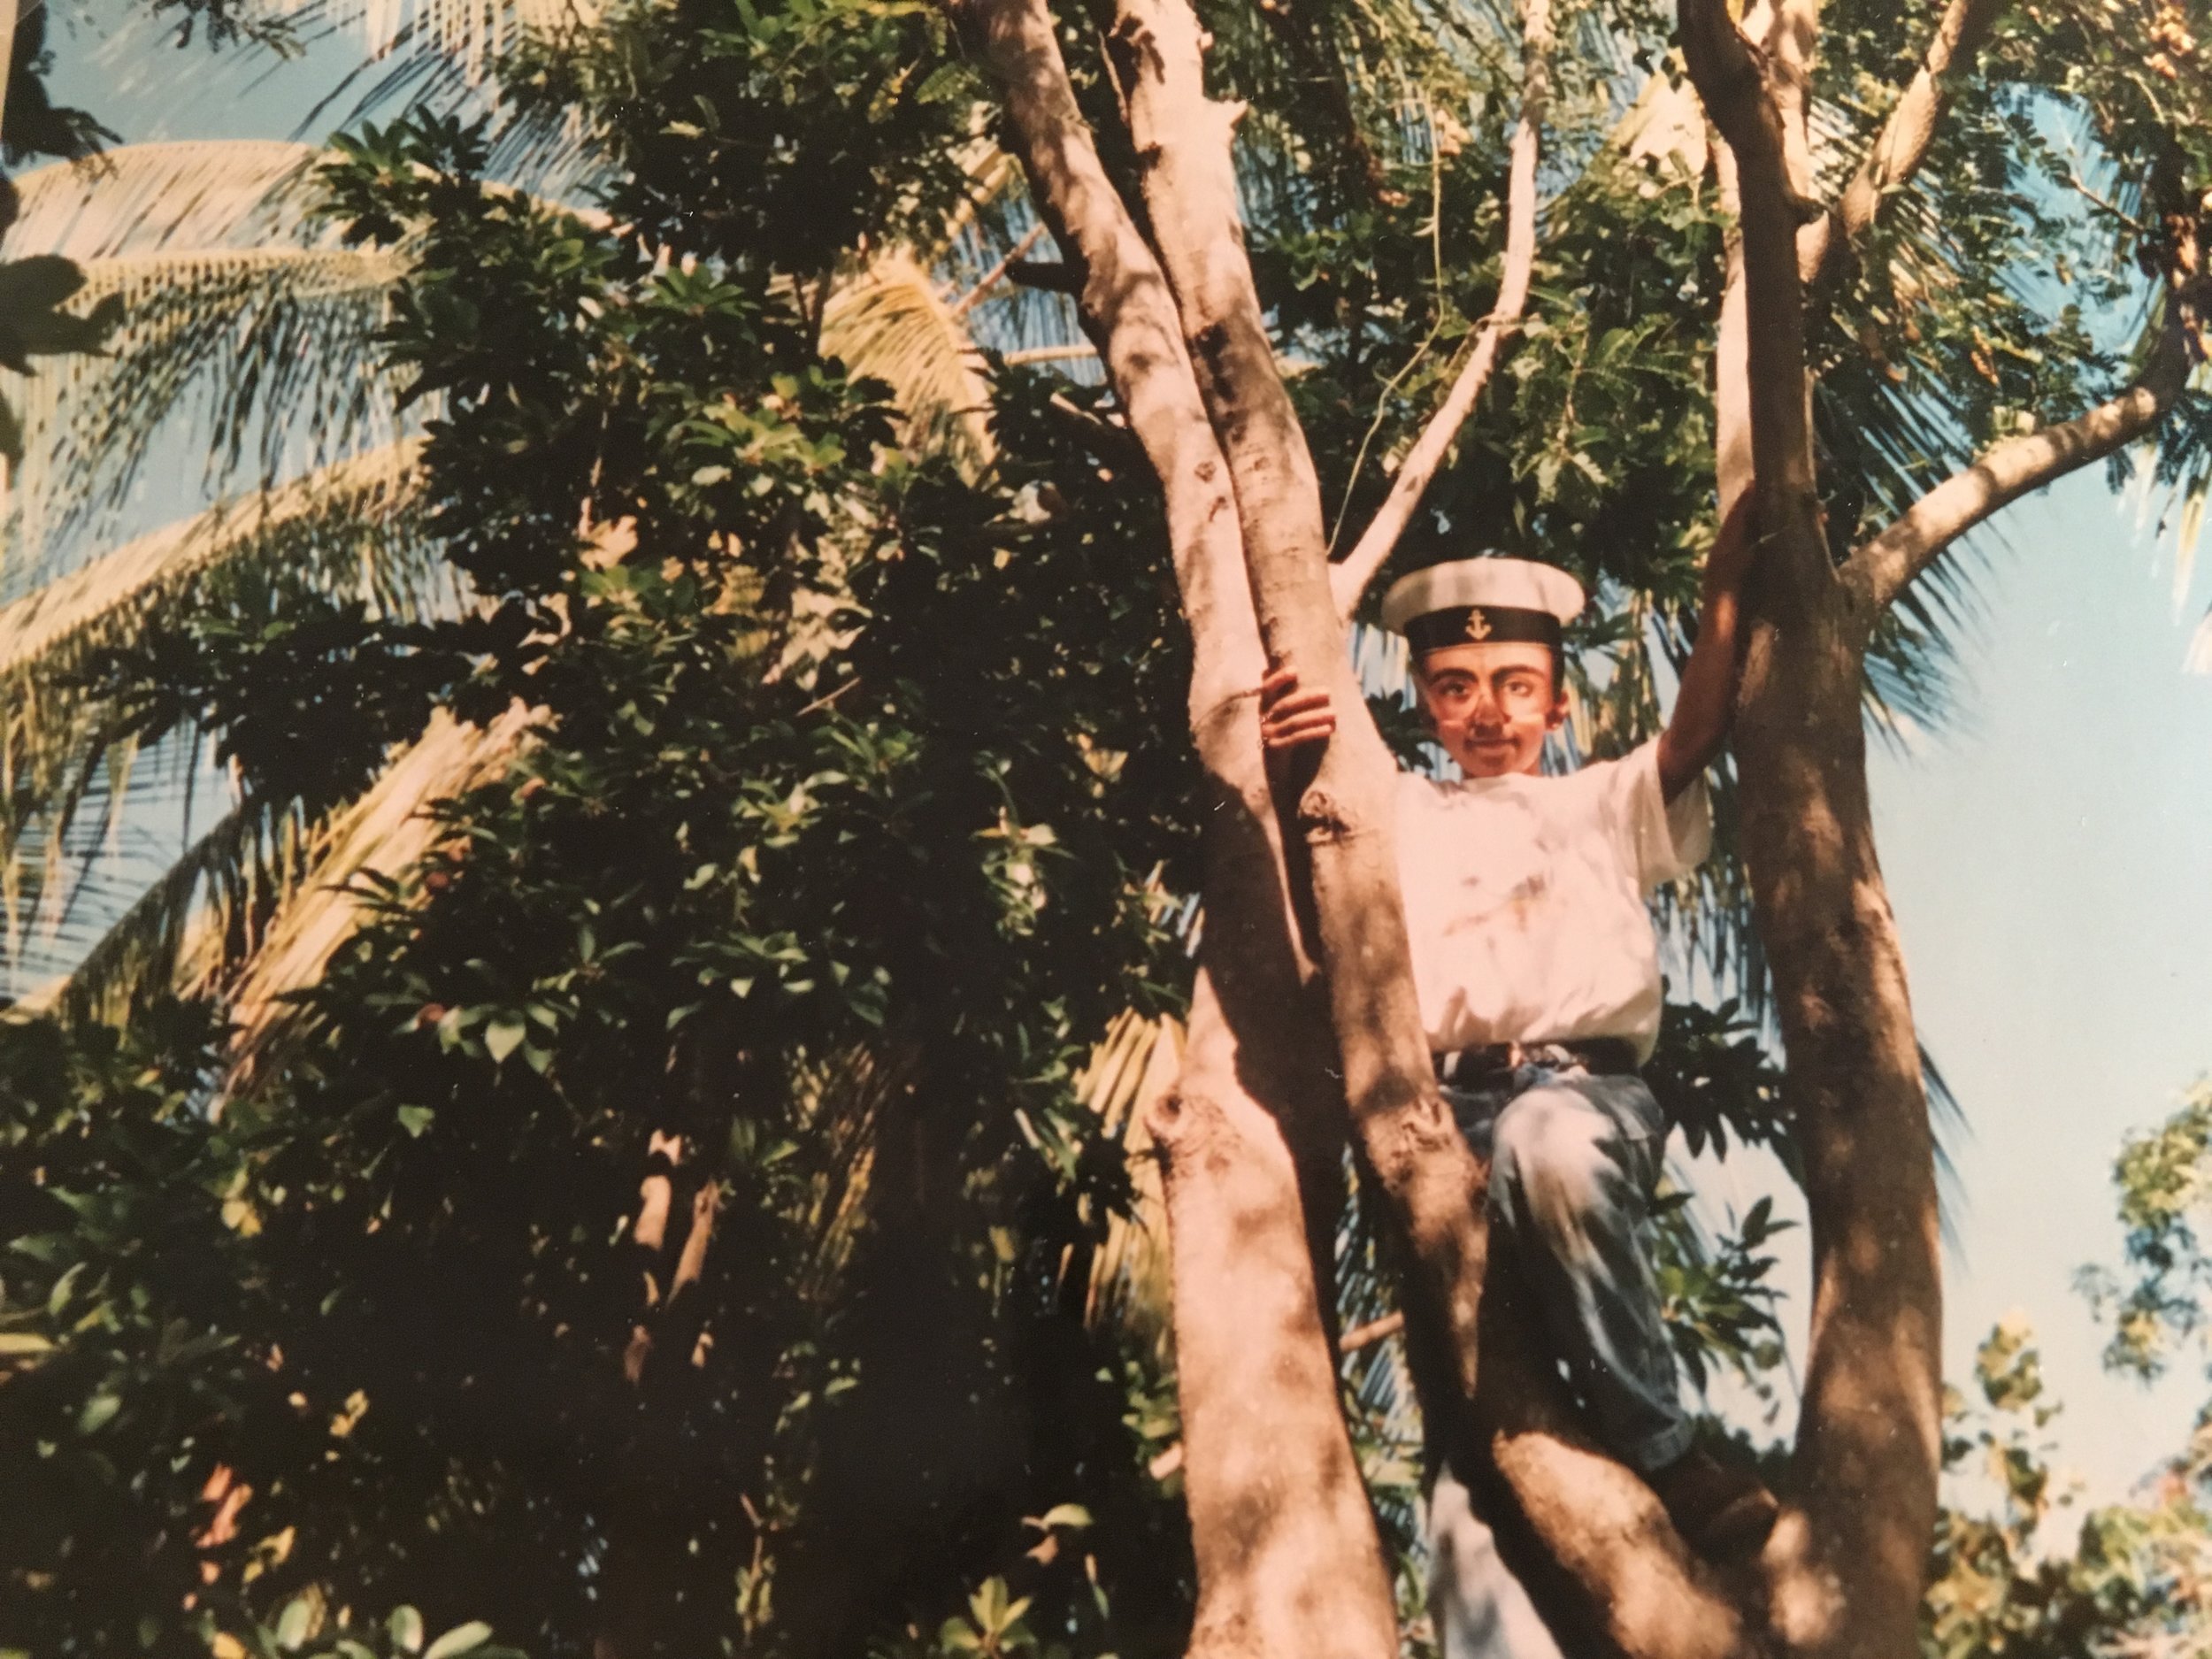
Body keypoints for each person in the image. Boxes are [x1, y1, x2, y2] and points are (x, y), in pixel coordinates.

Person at [1257, 502, 1773, 1605]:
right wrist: (1285, 733)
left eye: (1517, 688)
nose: (1486, 713)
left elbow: (1692, 736)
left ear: (1557, 698)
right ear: (1425, 701)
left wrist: (1724, 582)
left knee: (1551, 1140)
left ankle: (1667, 1447)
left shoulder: (1602, 800)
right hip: (1446, 1116)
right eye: (1455, 688)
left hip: (1587, 1096)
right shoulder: (1397, 808)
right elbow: (1310, 789)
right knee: (1482, 1419)